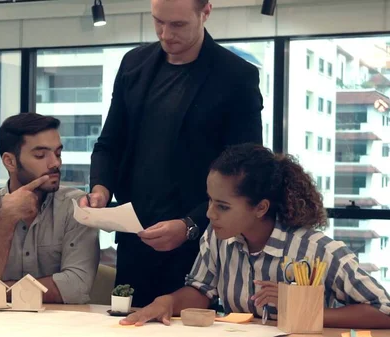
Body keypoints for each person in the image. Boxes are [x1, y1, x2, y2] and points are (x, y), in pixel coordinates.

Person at [80, 0, 263, 307]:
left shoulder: (236, 76)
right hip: (135, 237)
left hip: (201, 245)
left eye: (177, 25)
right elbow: (110, 143)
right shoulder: (133, 64)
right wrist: (101, 188)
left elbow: (246, 170)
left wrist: (190, 225)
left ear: (205, 12)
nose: (165, 34)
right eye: (158, 22)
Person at [120, 143, 390, 329]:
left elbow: (383, 310)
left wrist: (300, 309)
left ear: (261, 207)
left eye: (223, 206)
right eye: (210, 201)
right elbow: (201, 290)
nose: (211, 215)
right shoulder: (218, 238)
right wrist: (167, 302)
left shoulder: (316, 250)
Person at [0, 113, 100, 304]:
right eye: (41, 155)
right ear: (10, 161)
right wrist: (5, 219)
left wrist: (2, 291)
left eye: (57, 153)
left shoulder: (77, 207)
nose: (55, 163)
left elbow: (76, 287)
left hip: (59, 326)